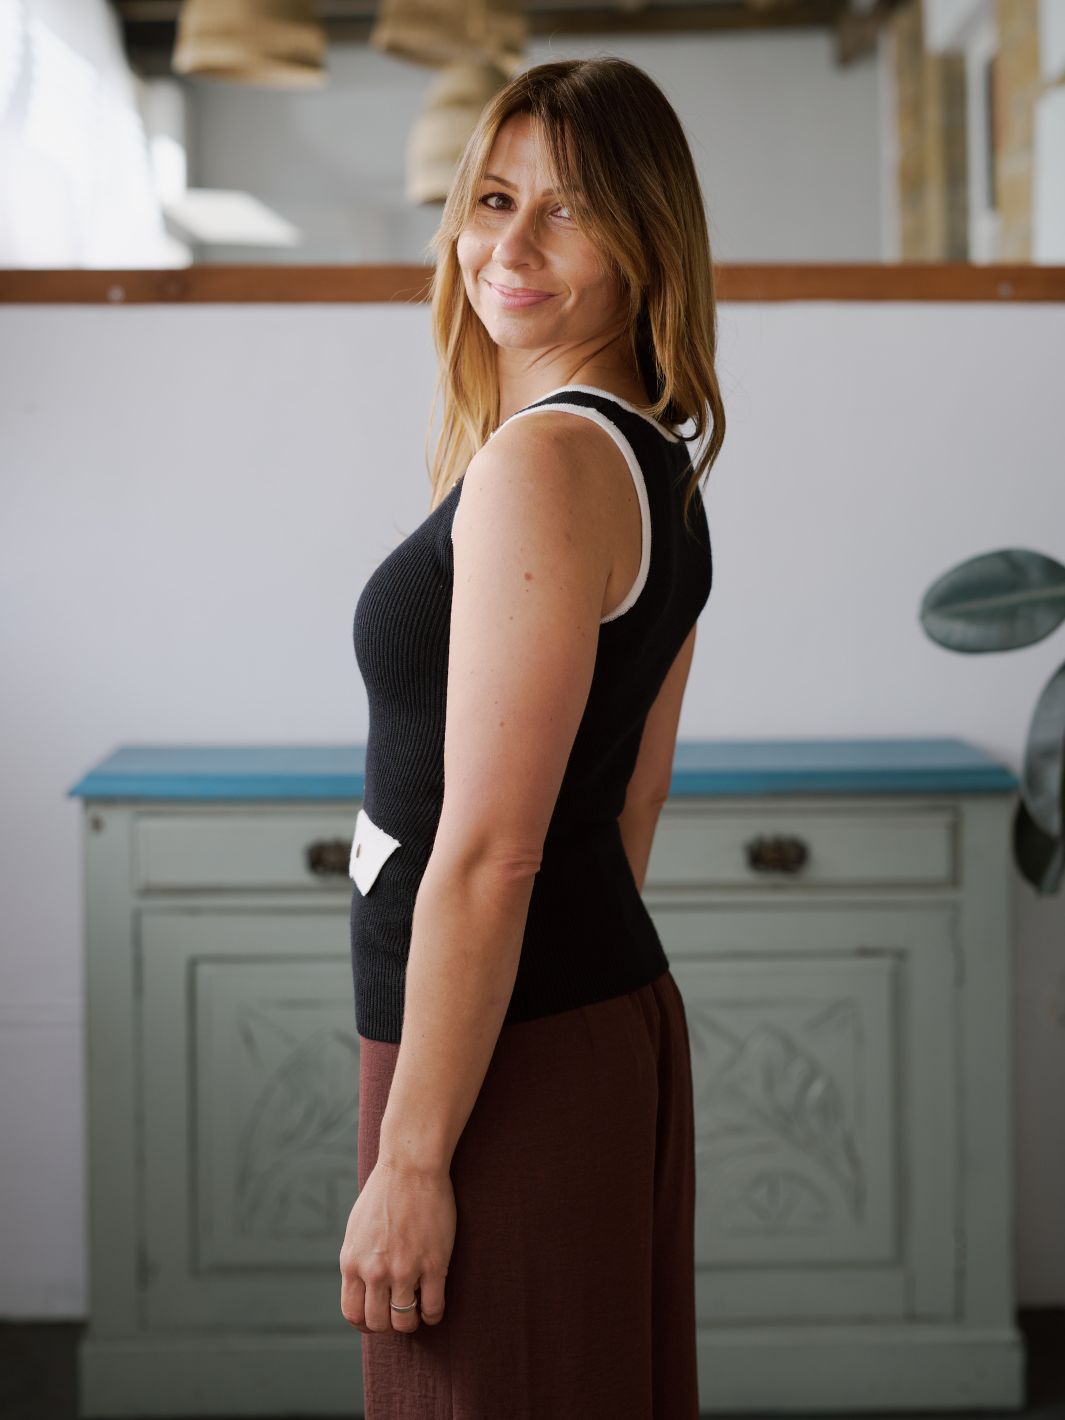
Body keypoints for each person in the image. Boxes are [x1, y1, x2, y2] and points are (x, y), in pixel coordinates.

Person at [339, 54, 725, 1419]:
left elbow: (499, 850)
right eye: (493, 200)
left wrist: (415, 1156)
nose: (509, 247)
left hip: (498, 1059)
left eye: (567, 210)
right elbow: (632, 798)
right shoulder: (652, 459)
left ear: (645, 238)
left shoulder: (546, 462)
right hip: (555, 1024)